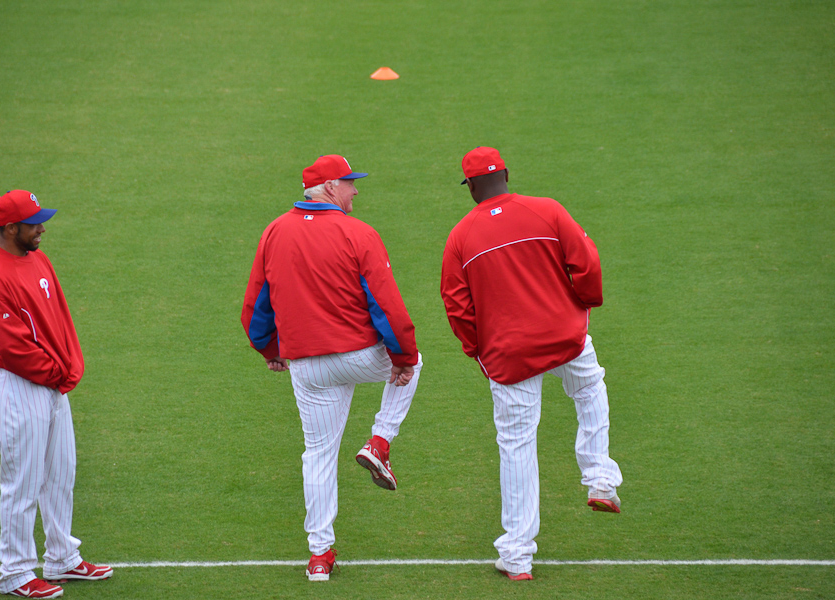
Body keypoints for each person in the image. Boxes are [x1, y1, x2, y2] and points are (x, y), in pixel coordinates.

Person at [440, 147, 623, 581]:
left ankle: (518, 555)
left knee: (517, 445)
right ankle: (600, 478)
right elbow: (587, 262)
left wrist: (477, 350)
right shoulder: (548, 211)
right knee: (589, 388)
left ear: (471, 188)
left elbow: (456, 304)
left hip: (508, 354)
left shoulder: (460, 237)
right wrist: (584, 304)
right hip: (564, 335)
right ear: (506, 174)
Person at [242, 155, 422, 581]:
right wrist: (402, 357)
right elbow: (386, 306)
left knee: (318, 455)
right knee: (416, 361)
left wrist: (269, 349)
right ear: (328, 188)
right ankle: (380, 441)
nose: (355, 190)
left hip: (307, 368)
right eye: (349, 183)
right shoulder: (358, 232)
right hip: (359, 357)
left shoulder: (274, 231)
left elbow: (256, 307)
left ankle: (319, 555)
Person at [0, 190, 112, 598]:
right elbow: (10, 344)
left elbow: (59, 317)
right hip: (16, 384)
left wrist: (69, 366)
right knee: (22, 482)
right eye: (34, 223)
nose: (42, 229)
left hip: (50, 383)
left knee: (60, 474)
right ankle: (15, 573)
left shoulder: (37, 259)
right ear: (11, 228)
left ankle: (61, 557)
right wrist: (56, 372)